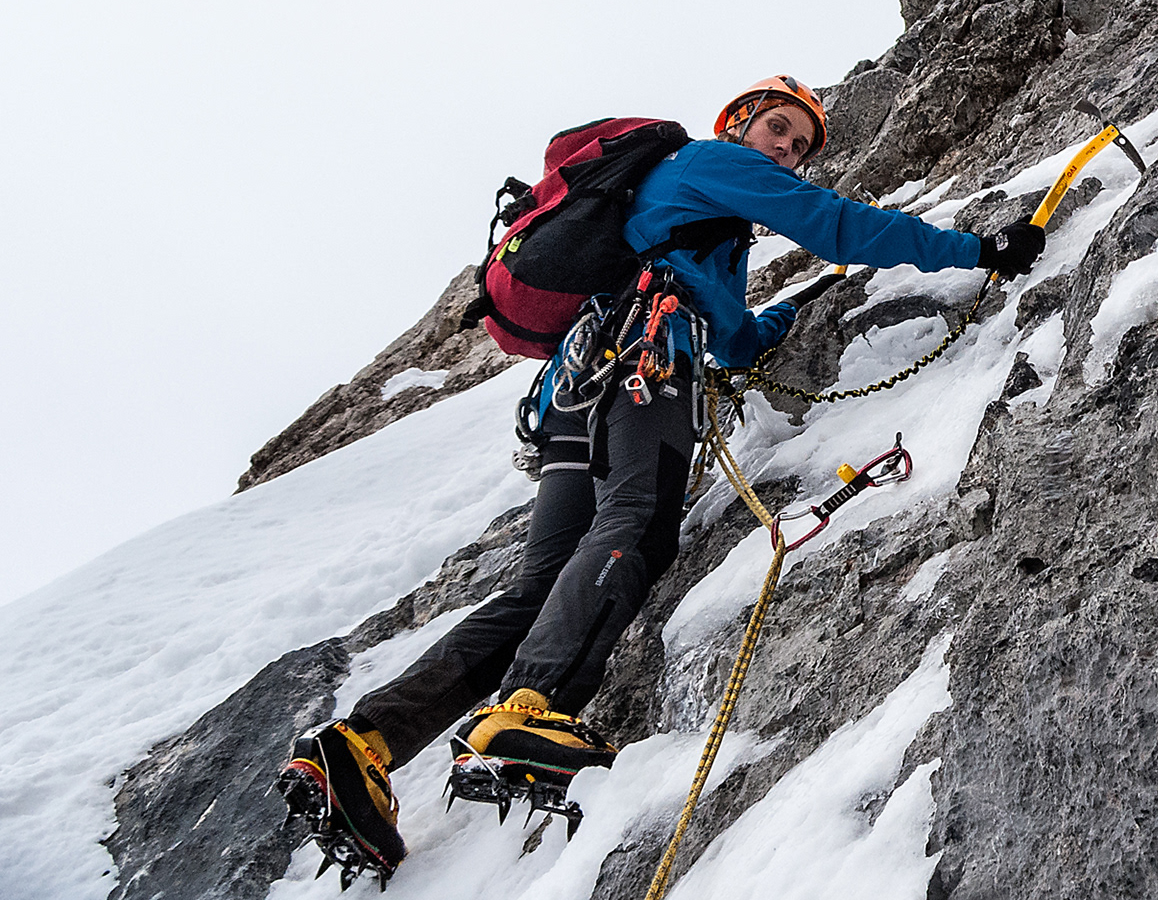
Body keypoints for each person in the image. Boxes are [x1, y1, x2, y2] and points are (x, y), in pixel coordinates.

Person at [278, 75, 1044, 878]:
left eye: (799, 147)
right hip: (646, 363)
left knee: (541, 584)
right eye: (779, 131)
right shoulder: (710, 163)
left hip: (577, 389)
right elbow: (835, 223)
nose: (787, 151)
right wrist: (979, 250)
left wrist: (788, 314)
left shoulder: (696, 214)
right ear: (739, 122)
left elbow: (739, 339)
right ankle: (528, 710)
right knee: (637, 521)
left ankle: (361, 742)